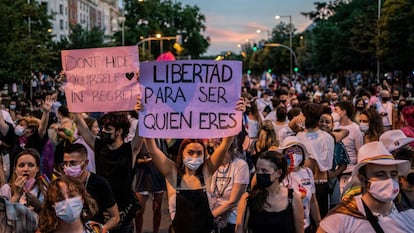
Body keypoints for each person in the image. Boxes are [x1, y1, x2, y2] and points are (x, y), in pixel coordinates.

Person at [139, 97, 245, 233]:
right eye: (190, 152)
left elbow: (225, 145)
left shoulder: (207, 170)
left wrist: (236, 113)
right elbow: (152, 149)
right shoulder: (172, 172)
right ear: (182, 154)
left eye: (199, 153)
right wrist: (144, 115)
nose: (195, 157)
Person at [317, 141, 412, 233]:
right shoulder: (339, 220)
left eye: (393, 174)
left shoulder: (408, 215)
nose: (389, 180)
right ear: (362, 179)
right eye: (380, 174)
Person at [74, 112, 143, 233]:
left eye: (108, 129)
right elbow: (83, 128)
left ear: (119, 131)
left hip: (123, 217)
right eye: (102, 128)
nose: (103, 131)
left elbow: (141, 132)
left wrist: (144, 112)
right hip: (101, 215)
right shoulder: (99, 146)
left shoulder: (130, 150)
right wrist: (75, 111)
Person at [235, 150, 304, 233]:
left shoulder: (293, 199)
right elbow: (239, 230)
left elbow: (300, 231)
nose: (259, 174)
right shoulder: (248, 198)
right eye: (257, 170)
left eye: (264, 171)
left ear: (278, 173)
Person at [62, 143, 120, 232]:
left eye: (73, 163)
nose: (68, 167)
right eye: (65, 163)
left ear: (85, 163)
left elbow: (115, 217)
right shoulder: (61, 184)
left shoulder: (99, 183)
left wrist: (101, 229)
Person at [297, 103, 335, 218]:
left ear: (306, 117)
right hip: (323, 182)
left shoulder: (299, 137)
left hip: (305, 184)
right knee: (322, 220)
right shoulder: (328, 137)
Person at [279, 136, 321, 233]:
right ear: (284, 154)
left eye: (298, 150)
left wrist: (319, 223)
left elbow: (313, 201)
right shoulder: (278, 173)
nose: (294, 153)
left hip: (305, 226)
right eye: (290, 150)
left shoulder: (307, 172)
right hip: (285, 227)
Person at [37, 176, 104, 233]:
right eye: (60, 199)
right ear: (53, 205)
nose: (67, 202)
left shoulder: (98, 229)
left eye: (72, 196)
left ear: (82, 198)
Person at [210, 138, 250, 233]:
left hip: (232, 219)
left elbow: (233, 201)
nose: (216, 149)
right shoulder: (212, 164)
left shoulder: (240, 165)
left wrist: (210, 215)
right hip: (215, 217)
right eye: (215, 146)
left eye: (218, 145)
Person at [133, 139, 167, 233]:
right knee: (139, 210)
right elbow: (133, 159)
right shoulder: (140, 140)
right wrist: (145, 160)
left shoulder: (160, 140)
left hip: (158, 178)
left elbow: (165, 157)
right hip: (143, 179)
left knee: (157, 209)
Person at [0, 148, 47, 215]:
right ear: (15, 170)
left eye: (30, 165)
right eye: (21, 165)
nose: (26, 169)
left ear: (37, 169)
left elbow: (52, 217)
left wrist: (39, 205)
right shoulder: (6, 189)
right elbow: (2, 216)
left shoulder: (44, 190)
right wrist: (16, 195)